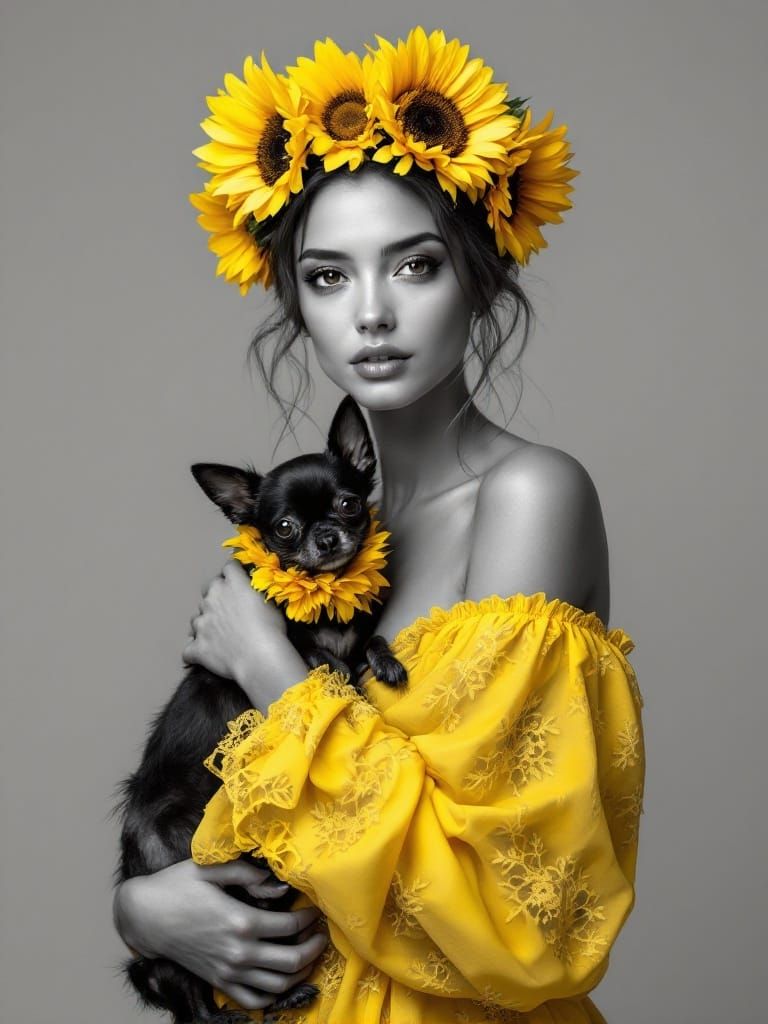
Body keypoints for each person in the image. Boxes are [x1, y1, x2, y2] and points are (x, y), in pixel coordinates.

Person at [113, 28, 644, 1024]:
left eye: (413, 267)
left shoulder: (531, 498)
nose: (370, 316)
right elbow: (253, 833)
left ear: (480, 278)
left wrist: (275, 672)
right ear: (293, 301)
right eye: (327, 277)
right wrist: (146, 909)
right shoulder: (318, 535)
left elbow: (507, 921)